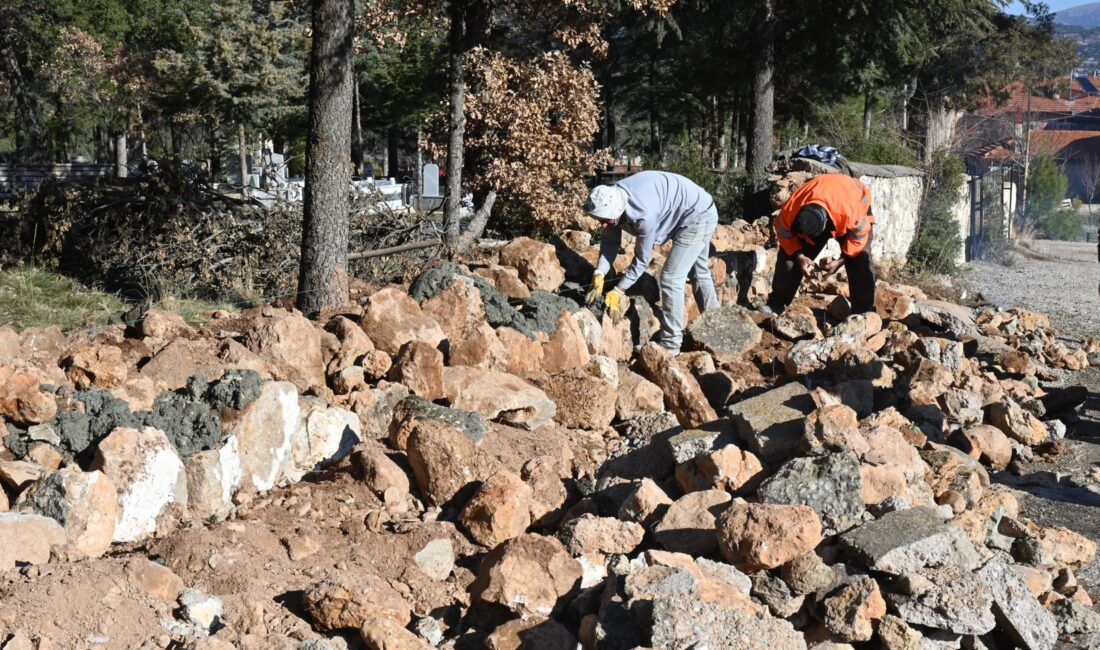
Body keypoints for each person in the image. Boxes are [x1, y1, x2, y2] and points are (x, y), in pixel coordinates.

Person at [584, 170, 719, 354]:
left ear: (617, 211)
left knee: (671, 278)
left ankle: (670, 347)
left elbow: (641, 260)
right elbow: (610, 243)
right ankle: (717, 328)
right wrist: (599, 273)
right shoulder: (612, 198)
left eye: (606, 220)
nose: (603, 225)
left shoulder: (643, 214)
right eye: (600, 220)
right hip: (695, 207)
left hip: (698, 216)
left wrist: (618, 290)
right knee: (698, 272)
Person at [765, 174, 877, 314]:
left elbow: (859, 239)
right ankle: (776, 304)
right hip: (823, 196)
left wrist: (842, 260)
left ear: (825, 225)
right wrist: (799, 255)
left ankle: (863, 314)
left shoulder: (851, 214)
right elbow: (784, 232)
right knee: (789, 256)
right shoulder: (791, 209)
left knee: (860, 259)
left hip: (853, 200)